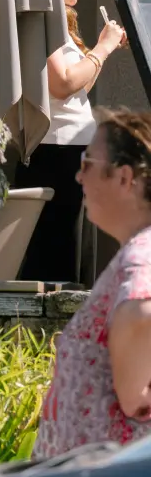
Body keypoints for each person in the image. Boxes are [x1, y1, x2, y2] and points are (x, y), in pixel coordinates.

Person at [33, 110, 151, 458]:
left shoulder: (141, 255)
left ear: (125, 178)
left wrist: (135, 395)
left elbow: (141, 311)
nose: (78, 176)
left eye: (87, 162)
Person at [15, 0, 126, 283]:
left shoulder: (59, 19)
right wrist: (102, 49)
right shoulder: (42, 15)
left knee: (68, 250)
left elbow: (78, 86)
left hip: (67, 147)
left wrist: (99, 52)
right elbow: (61, 84)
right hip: (54, 150)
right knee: (56, 253)